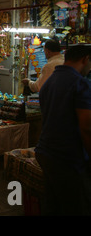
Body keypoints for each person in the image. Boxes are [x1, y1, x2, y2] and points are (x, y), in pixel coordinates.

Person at [35, 44, 91, 215]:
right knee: (75, 207)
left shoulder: (50, 81)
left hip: (45, 152)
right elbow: (87, 127)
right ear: (85, 59)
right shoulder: (80, 84)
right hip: (67, 157)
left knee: (53, 205)